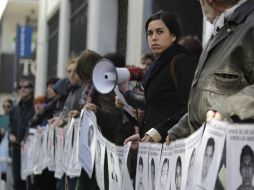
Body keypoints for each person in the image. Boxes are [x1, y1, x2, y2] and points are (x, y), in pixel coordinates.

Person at [166, 0, 254, 140]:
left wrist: (226, 111)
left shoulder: (249, 24)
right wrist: (178, 131)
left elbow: (218, 108)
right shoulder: (222, 29)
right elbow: (204, 100)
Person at [121, 10, 196, 143]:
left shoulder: (181, 61)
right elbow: (155, 109)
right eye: (149, 33)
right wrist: (143, 135)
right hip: (154, 148)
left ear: (173, 35)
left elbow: (190, 108)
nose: (153, 37)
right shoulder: (157, 64)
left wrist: (157, 133)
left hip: (173, 145)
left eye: (159, 32)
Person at [9, 78, 35, 190]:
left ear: (31, 89)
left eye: (26, 87)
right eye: (20, 87)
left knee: (30, 183)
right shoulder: (15, 109)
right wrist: (10, 135)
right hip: (16, 150)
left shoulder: (36, 107)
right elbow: (11, 126)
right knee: (17, 183)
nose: (22, 89)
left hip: (31, 151)